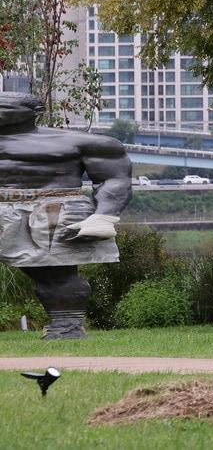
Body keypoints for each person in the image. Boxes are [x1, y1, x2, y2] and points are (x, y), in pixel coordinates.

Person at [0, 93, 132, 339]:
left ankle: (66, 326)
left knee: (56, 274)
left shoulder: (81, 143)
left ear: (35, 111)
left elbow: (115, 178)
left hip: (52, 206)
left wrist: (104, 216)